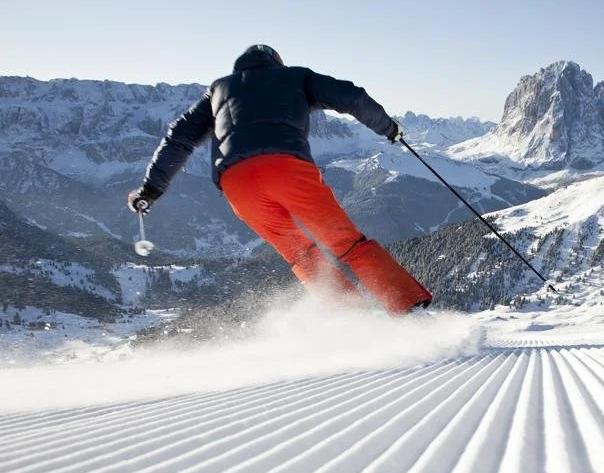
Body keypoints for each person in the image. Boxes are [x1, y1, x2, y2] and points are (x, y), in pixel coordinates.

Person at [128, 44, 431, 314]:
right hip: (286, 168)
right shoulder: (296, 77)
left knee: (301, 252)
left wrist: (151, 189)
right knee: (346, 242)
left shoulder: (218, 90)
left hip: (236, 183)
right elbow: (351, 97)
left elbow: (178, 138)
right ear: (277, 63)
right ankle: (408, 306)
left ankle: (352, 318)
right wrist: (389, 128)